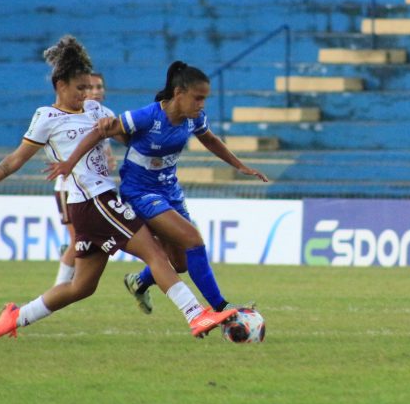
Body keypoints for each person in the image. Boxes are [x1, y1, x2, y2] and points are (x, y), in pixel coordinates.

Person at [0, 37, 237, 342]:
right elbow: (12, 162)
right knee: (155, 254)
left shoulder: (96, 110)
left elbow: (133, 138)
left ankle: (16, 317)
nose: (86, 94)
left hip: (94, 204)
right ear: (60, 85)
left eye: (89, 88)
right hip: (93, 200)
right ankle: (195, 314)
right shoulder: (47, 118)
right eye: (80, 88)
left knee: (81, 286)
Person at [47, 60, 268, 318]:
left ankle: (139, 282)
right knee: (192, 239)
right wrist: (70, 162)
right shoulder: (148, 116)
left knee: (181, 262)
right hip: (140, 192)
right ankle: (221, 307)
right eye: (198, 98)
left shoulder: (194, 119)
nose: (202, 105)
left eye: (204, 99)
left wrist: (240, 165)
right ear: (178, 93)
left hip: (170, 191)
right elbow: (99, 132)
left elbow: (209, 139)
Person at [53, 71, 117, 287]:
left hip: (94, 190)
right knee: (75, 241)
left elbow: (104, 152)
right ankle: (59, 287)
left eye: (99, 87)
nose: (95, 92)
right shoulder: (71, 115)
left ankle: (65, 288)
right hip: (69, 188)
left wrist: (108, 161)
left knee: (83, 243)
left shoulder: (105, 115)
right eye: (90, 87)